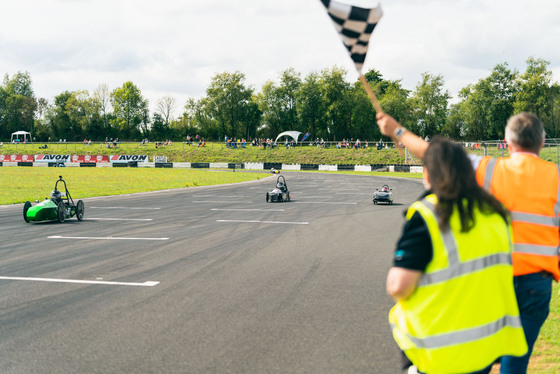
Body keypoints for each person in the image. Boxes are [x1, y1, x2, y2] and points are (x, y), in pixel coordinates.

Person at [378, 112, 559, 374]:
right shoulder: (557, 176)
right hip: (537, 282)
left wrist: (397, 131)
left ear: (507, 143)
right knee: (516, 359)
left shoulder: (489, 169)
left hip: (494, 279)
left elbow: (435, 155)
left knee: (481, 348)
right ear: (542, 143)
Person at [386, 137, 527, 374]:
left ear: (429, 175)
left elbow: (399, 286)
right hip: (485, 347)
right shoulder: (495, 212)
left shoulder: (428, 214)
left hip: (439, 349)